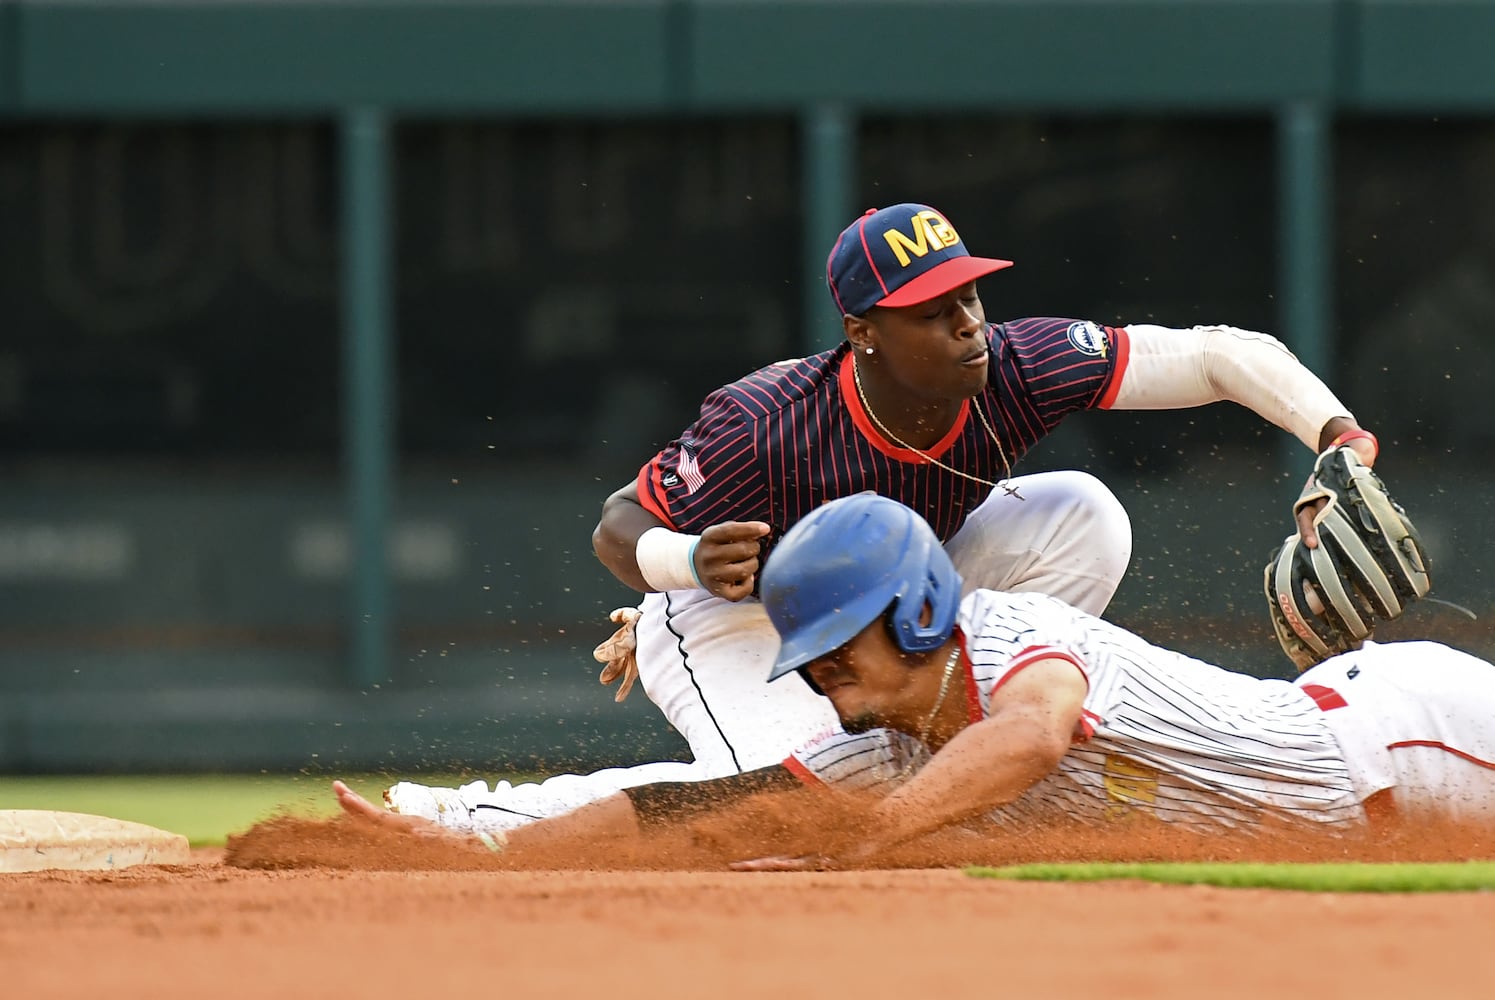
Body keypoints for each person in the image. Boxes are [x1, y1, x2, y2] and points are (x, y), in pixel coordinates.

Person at [382, 201, 1381, 834]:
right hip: (734, 614)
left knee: (1084, 514)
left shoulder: (1015, 368)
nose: (965, 323)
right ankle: (479, 818)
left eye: (968, 296)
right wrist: (682, 562)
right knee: (786, 791)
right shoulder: (770, 424)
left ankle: (960, 749)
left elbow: (1210, 354)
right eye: (930, 308)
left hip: (884, 599)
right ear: (861, 330)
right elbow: (614, 528)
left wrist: (1334, 433)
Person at [334, 493, 1495, 865]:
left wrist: (869, 832)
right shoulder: (884, 741)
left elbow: (1036, 735)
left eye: (844, 654)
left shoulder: (1014, 637)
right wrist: (478, 843)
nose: (830, 687)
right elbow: (691, 810)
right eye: (816, 665)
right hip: (1364, 798)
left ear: (921, 609)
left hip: (1402, 737)